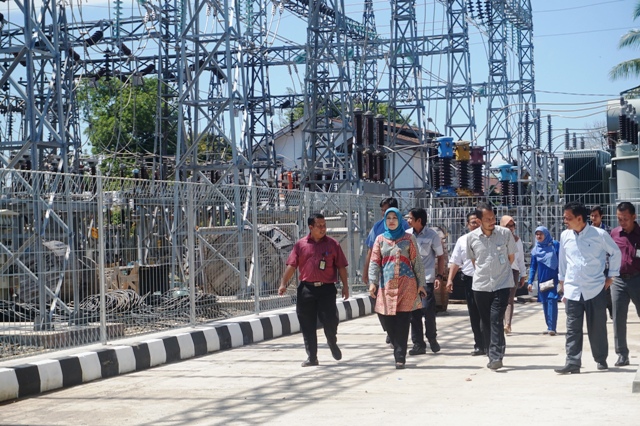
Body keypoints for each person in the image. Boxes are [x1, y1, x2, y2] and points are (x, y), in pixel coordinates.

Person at [555, 201, 621, 374]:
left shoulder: (599, 235)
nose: (565, 221)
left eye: (568, 218)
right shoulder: (565, 236)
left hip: (595, 289)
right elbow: (563, 260)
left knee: (597, 327)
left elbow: (615, 253)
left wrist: (611, 277)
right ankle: (573, 362)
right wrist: (562, 283)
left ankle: (601, 359)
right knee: (572, 328)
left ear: (579, 218)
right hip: (573, 289)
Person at [278, 213, 350, 367]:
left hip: (327, 289)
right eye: (319, 226)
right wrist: (283, 283)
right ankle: (312, 357)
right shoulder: (300, 245)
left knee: (330, 320)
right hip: (307, 289)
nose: (323, 229)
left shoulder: (333, 245)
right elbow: (292, 265)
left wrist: (345, 286)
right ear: (311, 227)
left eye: (324, 226)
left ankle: (332, 340)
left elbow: (341, 267)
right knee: (307, 323)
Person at [369, 208, 427, 369]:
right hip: (386, 287)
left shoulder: (409, 239)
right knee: (387, 320)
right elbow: (374, 262)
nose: (392, 221)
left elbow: (417, 262)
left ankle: (400, 356)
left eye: (395, 217)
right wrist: (372, 282)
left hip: (406, 286)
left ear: (400, 220)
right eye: (389, 218)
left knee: (402, 322)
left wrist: (421, 284)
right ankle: (397, 345)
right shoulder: (380, 239)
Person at [466, 202, 516, 371]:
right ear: (479, 221)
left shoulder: (505, 234)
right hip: (480, 286)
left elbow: (511, 258)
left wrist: (500, 272)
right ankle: (491, 352)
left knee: (496, 318)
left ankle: (496, 355)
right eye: (487, 219)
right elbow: (474, 262)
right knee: (485, 321)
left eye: (493, 217)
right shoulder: (471, 238)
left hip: (502, 283)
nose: (491, 221)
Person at [362, 197, 409, 344]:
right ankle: (389, 330)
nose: (384, 215)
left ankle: (397, 334)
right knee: (378, 302)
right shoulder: (377, 227)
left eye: (386, 211)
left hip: (401, 273)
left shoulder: (406, 228)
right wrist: (366, 272)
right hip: (381, 274)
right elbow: (371, 251)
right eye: (383, 212)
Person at [406, 208, 445, 355]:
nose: (408, 221)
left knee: (428, 311)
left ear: (419, 220)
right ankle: (418, 344)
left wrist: (439, 276)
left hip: (427, 280)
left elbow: (440, 257)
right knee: (414, 314)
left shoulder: (432, 236)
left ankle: (432, 338)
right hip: (410, 280)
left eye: (410, 218)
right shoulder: (407, 235)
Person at [446, 212, 484, 356]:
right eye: (472, 222)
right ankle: (479, 345)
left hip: (487, 280)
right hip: (470, 279)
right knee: (474, 314)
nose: (475, 225)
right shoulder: (463, 240)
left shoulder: (489, 238)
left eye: (478, 221)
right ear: (468, 225)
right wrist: (450, 279)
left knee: (486, 313)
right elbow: (455, 262)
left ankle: (489, 343)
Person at [610, 202, 640, 367]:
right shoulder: (614, 234)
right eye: (619, 219)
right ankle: (622, 354)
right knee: (618, 319)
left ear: (634, 217)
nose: (622, 222)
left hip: (638, 279)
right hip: (619, 281)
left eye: (625, 219)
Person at [527, 226, 560, 335]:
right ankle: (549, 326)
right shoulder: (536, 250)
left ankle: (552, 327)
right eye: (537, 234)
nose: (539, 236)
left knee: (552, 300)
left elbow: (562, 261)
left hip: (553, 278)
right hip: (542, 280)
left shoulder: (554, 245)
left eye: (541, 234)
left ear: (546, 234)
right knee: (545, 302)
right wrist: (530, 281)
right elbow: (533, 267)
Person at [500, 215, 527, 334]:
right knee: (499, 299)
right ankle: (498, 323)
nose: (511, 228)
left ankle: (508, 324)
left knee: (510, 298)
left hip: (513, 270)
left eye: (512, 225)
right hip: (499, 270)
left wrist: (523, 274)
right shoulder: (496, 238)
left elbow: (520, 258)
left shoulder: (517, 240)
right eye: (508, 225)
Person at [591, 205, 613, 318]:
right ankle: (600, 315)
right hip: (593, 266)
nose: (593, 218)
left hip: (606, 265)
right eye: (592, 216)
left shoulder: (608, 231)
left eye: (596, 216)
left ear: (601, 216)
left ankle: (612, 312)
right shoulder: (587, 231)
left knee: (607, 291)